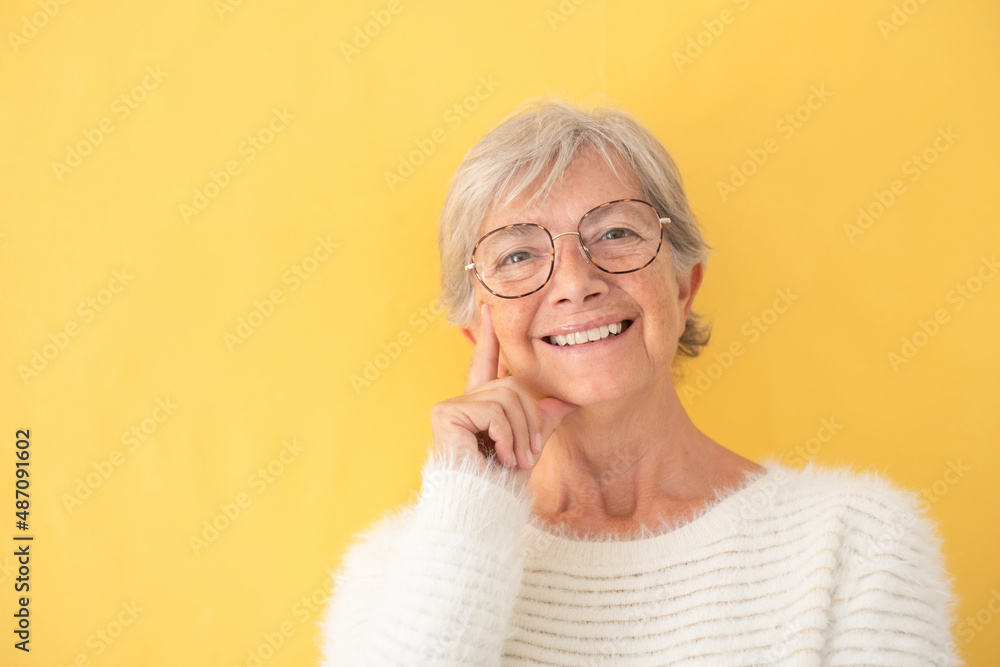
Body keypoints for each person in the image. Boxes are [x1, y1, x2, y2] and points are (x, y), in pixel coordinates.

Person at [318, 99, 960, 665]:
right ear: (476, 325)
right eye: (518, 255)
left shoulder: (856, 543)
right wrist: (468, 509)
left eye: (616, 234)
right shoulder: (394, 570)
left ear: (683, 285)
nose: (575, 282)